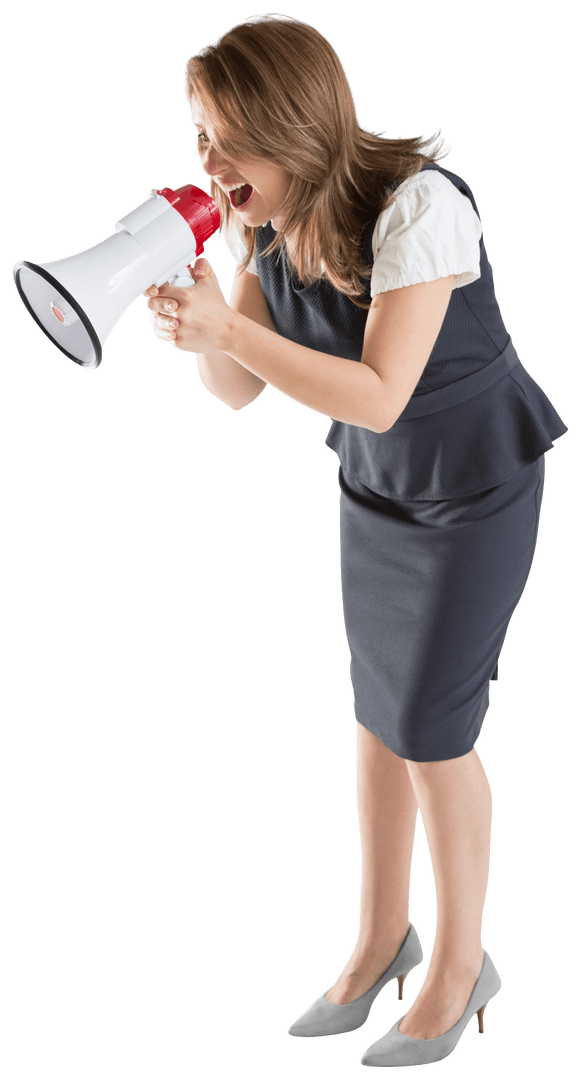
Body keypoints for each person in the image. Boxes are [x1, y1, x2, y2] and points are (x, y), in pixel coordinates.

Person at [142, 13, 569, 1068]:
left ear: (290, 126)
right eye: (197, 136)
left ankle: (462, 961)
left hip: (471, 492)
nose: (209, 163)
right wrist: (207, 312)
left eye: (226, 138)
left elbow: (380, 394)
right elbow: (235, 388)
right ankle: (381, 941)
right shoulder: (263, 230)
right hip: (377, 497)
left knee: (432, 731)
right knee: (378, 722)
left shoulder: (416, 209)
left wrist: (234, 328)